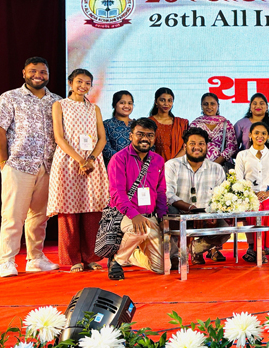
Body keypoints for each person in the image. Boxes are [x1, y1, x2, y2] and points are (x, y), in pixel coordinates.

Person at [0, 57, 61, 277]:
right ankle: (7, 260)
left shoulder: (57, 101)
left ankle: (35, 258)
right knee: (13, 215)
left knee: (40, 217)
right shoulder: (9, 98)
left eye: (43, 71)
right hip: (18, 164)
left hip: (48, 166)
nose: (38, 75)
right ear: (24, 72)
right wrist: (3, 163)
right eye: (33, 71)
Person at [47, 68, 109, 273]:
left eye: (87, 83)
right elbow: (59, 137)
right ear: (70, 82)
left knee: (93, 211)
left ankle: (91, 257)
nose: (83, 86)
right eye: (79, 81)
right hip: (68, 161)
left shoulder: (95, 109)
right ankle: (73, 259)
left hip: (93, 163)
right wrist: (80, 160)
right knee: (69, 212)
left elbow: (102, 138)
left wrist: (90, 159)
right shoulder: (60, 105)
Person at [107, 118, 169, 280]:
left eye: (149, 135)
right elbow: (117, 193)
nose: (145, 139)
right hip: (126, 216)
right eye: (140, 134)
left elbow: (161, 191)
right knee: (141, 229)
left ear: (154, 138)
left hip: (150, 217)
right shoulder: (119, 159)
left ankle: (130, 255)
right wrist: (134, 215)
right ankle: (117, 260)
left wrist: (162, 217)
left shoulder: (158, 160)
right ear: (130, 136)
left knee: (161, 267)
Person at [165, 127, 230, 265]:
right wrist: (191, 208)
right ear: (185, 146)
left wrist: (211, 214)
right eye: (192, 143)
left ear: (207, 146)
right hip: (180, 213)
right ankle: (174, 255)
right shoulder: (172, 165)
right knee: (170, 211)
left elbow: (221, 197)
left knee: (225, 229)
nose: (197, 147)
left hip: (205, 215)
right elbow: (167, 194)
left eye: (201, 144)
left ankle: (195, 249)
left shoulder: (216, 168)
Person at [235, 121, 269, 262]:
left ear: (268, 136)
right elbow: (239, 180)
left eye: (263, 133)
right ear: (250, 135)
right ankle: (259, 249)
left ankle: (261, 248)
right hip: (249, 195)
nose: (260, 136)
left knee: (268, 207)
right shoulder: (242, 155)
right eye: (256, 133)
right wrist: (251, 194)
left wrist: (267, 193)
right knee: (255, 207)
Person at [190, 93, 238, 165]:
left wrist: (215, 164)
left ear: (218, 106)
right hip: (199, 166)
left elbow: (232, 146)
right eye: (205, 104)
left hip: (221, 166)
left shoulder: (226, 124)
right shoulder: (195, 124)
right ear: (201, 106)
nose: (209, 107)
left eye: (212, 104)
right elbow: (191, 146)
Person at [149, 87, 188, 162]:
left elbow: (185, 147)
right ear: (156, 102)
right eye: (162, 100)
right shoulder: (149, 122)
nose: (166, 104)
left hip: (178, 166)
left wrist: (171, 165)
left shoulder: (181, 124)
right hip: (155, 165)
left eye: (169, 101)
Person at [103, 90, 133, 165]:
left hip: (136, 167)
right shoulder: (106, 124)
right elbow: (105, 148)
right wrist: (123, 160)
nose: (126, 106)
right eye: (122, 103)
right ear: (114, 105)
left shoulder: (138, 125)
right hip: (114, 167)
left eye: (130, 103)